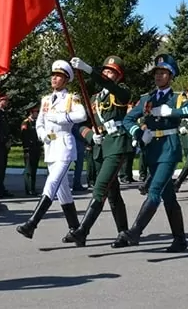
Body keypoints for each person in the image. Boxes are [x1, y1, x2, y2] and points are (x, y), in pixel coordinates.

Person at [111, 54, 188, 253]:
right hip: (152, 150)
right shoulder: (147, 98)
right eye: (157, 72)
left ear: (171, 75)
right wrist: (139, 133)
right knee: (169, 197)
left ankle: (135, 232)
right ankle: (180, 240)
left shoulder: (178, 98)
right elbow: (128, 119)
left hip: (169, 148)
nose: (158, 76)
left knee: (155, 191)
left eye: (163, 72)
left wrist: (170, 112)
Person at [62, 55, 132, 247]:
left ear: (119, 77)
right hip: (100, 147)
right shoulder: (93, 98)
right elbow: (80, 125)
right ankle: (124, 233)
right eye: (106, 70)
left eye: (112, 72)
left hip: (117, 144)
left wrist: (87, 69)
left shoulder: (121, 92)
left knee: (100, 188)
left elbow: (108, 85)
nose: (107, 74)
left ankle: (82, 231)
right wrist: (91, 136)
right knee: (112, 192)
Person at [15, 60, 85, 240]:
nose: (54, 78)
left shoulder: (71, 98)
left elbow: (81, 115)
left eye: (59, 76)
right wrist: (42, 134)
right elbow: (40, 122)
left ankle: (32, 224)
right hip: (50, 148)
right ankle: (76, 230)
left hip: (64, 146)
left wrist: (61, 118)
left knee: (51, 183)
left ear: (66, 80)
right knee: (63, 191)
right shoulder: (46, 99)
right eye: (53, 75)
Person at [20, 107, 42, 195]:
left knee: (34, 169)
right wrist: (27, 146)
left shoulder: (36, 122)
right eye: (36, 112)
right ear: (31, 112)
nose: (37, 113)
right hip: (29, 149)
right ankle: (28, 188)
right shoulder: (26, 122)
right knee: (29, 170)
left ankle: (32, 188)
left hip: (36, 149)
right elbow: (24, 135)